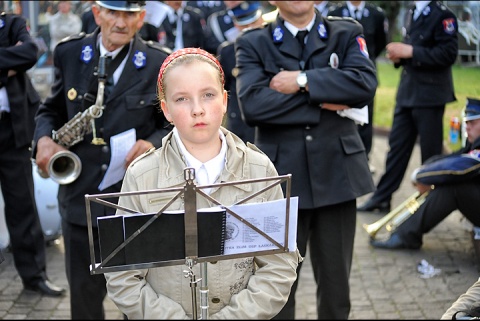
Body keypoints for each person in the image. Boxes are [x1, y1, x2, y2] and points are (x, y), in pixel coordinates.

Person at [103, 47, 301, 319]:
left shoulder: (259, 168)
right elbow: (122, 275)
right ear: (166, 110)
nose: (198, 110)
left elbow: (279, 266)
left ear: (225, 101)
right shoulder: (142, 175)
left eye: (208, 95)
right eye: (182, 99)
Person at [235, 1, 377, 319]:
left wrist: (300, 81)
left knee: (336, 290)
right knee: (276, 291)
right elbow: (254, 105)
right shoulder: (252, 41)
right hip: (279, 182)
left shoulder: (346, 32)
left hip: (337, 176)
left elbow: (364, 86)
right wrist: (326, 101)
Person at [32, 1, 171, 319]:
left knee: (138, 300)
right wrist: (42, 139)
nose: (120, 23)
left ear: (141, 18)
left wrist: (152, 143)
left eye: (129, 15)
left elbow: (170, 125)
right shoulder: (70, 53)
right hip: (80, 196)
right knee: (83, 297)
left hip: (134, 201)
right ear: (97, 14)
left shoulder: (157, 61)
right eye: (113, 13)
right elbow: (50, 109)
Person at [357, 1, 458, 214]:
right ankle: (382, 198)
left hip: (430, 95)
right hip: (408, 92)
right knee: (396, 150)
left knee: (430, 153)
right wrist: (399, 56)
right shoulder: (412, 11)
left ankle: (430, 203)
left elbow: (448, 54)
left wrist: (411, 51)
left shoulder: (443, 15)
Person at [0, 10, 65, 298]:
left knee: (22, 205)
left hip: (12, 129)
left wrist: (15, 58)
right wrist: (7, 62)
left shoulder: (11, 22)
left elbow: (30, 52)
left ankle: (34, 276)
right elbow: (18, 57)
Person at [368, 97, 480, 250]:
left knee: (454, 188)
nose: (467, 127)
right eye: (466, 122)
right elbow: (455, 157)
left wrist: (420, 175)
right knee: (450, 184)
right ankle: (405, 233)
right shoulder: (474, 142)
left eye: (473, 123)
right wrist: (429, 167)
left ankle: (406, 235)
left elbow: (464, 166)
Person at [329, 1, 388, 169]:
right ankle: (340, 157)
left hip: (365, 74)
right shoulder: (336, 12)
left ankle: (364, 158)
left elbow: (380, 42)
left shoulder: (376, 14)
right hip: (339, 74)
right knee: (339, 115)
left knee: (366, 117)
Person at [217, 1, 263, 143]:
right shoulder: (228, 51)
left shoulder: (276, 46)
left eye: (253, 22)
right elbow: (223, 89)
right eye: (244, 24)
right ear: (236, 24)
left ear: (261, 19)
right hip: (240, 124)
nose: (249, 28)